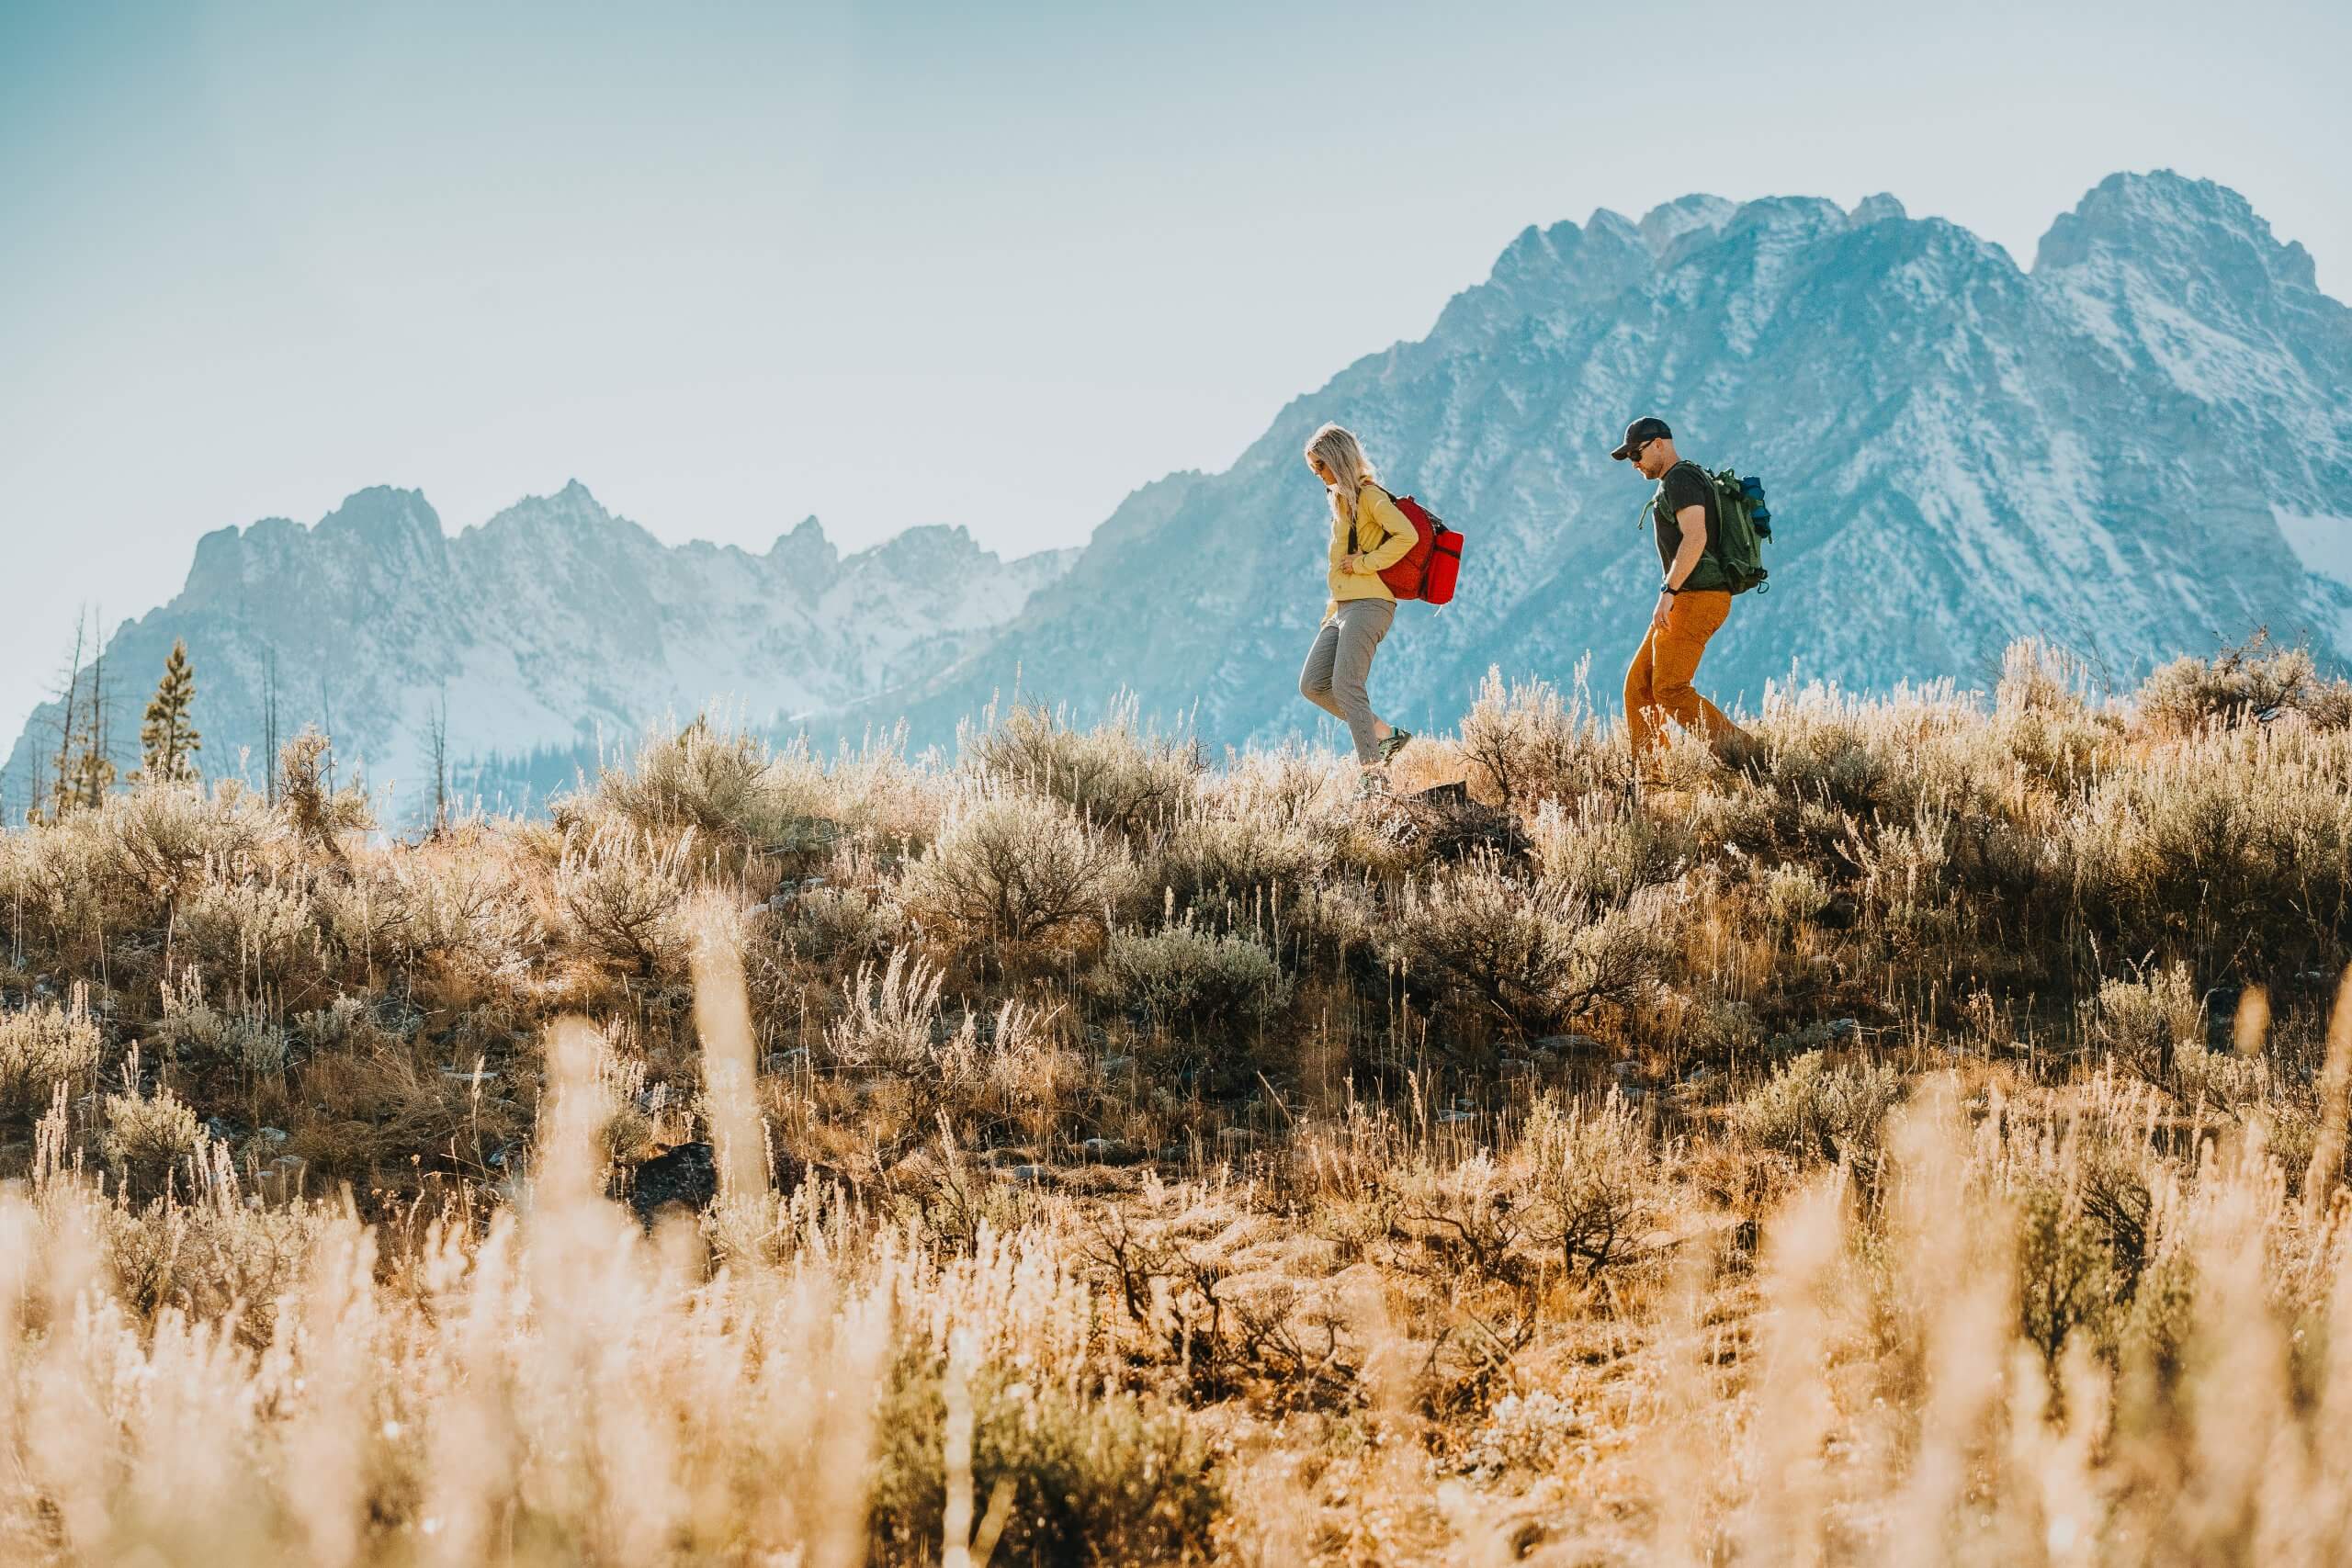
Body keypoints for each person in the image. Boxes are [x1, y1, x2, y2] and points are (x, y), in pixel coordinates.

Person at [1611, 415, 1752, 773]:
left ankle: (1753, 760)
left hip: (1697, 596)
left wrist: (1668, 590)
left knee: (1671, 689)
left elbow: (1696, 536)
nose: (1635, 464)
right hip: (1688, 596)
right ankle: (1654, 781)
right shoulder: (1681, 478)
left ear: (1660, 443)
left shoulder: (1680, 478)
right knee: (1639, 687)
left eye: (1637, 454)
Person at [1298, 423, 1416, 789]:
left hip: (1370, 604)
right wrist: (1332, 611)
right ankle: (1384, 734)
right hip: (1342, 609)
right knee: (1314, 685)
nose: (1318, 475)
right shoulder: (1342, 502)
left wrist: (1364, 564)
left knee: (1347, 685)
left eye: (1321, 466)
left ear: (1337, 459)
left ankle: (1373, 781)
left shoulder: (1369, 497)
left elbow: (1407, 536)